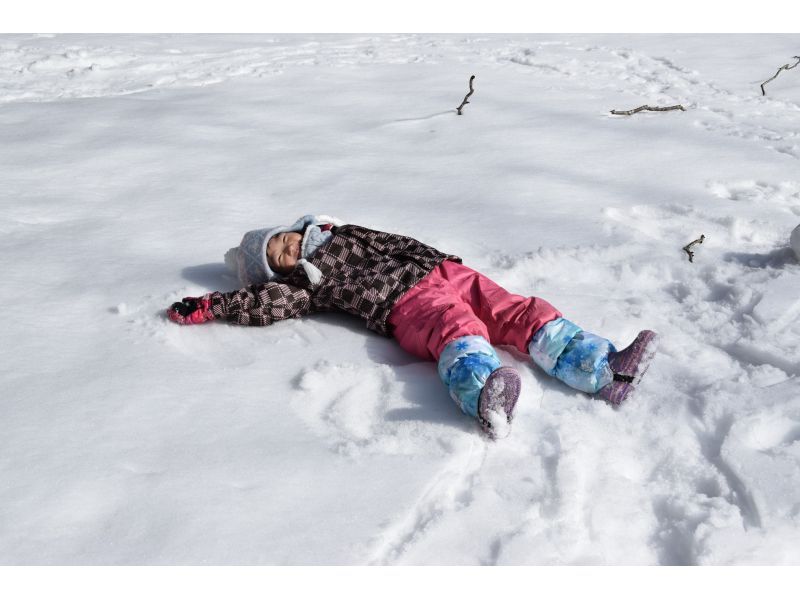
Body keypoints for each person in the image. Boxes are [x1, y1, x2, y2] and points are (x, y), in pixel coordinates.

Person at [167, 215, 657, 438]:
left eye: (282, 241)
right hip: (403, 304)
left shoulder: (340, 232)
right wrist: (215, 306)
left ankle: (602, 368)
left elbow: (397, 240)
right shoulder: (307, 283)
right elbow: (267, 303)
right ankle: (484, 391)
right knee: (456, 328)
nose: (288, 251)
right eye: (278, 259)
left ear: (290, 229)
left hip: (445, 271)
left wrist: (440, 259)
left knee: (518, 310)